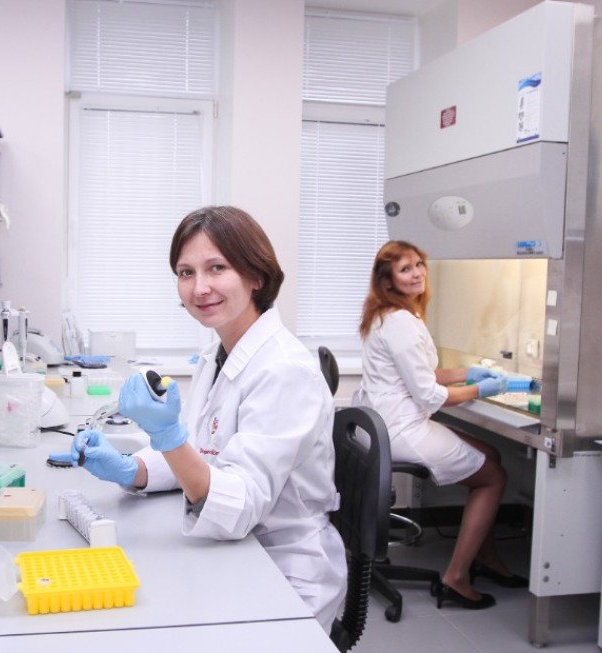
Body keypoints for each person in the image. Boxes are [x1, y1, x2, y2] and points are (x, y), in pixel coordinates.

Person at [50, 205, 346, 629]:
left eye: (217, 268)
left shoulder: (285, 370)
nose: (199, 287)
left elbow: (239, 506)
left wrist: (168, 436)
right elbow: (200, 453)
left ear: (256, 275)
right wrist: (132, 468)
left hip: (283, 569)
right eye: (186, 272)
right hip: (236, 553)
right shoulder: (218, 353)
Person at [352, 239, 526, 611]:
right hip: (401, 430)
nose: (417, 274)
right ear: (388, 280)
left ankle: (484, 557)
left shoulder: (388, 314)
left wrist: (467, 372)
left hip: (382, 425)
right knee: (493, 476)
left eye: (419, 265)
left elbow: (421, 373)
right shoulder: (400, 322)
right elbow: (430, 394)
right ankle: (456, 577)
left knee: (490, 453)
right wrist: (481, 389)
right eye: (405, 269)